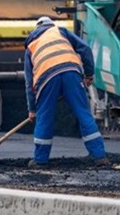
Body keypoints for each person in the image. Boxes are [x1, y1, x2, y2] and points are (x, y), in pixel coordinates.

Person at [24, 16, 110, 168]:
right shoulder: (61, 31)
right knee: (84, 114)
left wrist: (32, 109)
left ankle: (40, 160)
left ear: (36, 29)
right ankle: (99, 157)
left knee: (45, 117)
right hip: (71, 72)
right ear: (51, 25)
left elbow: (29, 82)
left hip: (46, 78)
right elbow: (85, 49)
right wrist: (89, 74)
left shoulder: (31, 44)